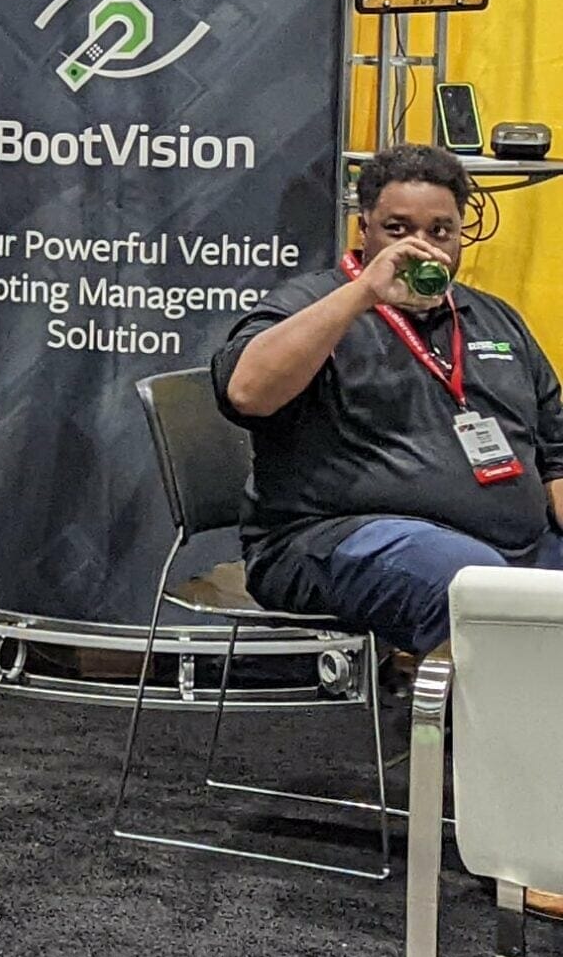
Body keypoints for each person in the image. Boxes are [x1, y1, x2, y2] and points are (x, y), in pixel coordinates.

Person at [216, 143, 563, 657]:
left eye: (440, 231)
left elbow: (555, 453)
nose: (421, 246)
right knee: (483, 592)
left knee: (498, 589)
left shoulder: (495, 320)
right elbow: (246, 392)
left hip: (514, 547)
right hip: (331, 541)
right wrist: (364, 295)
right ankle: (464, 734)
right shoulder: (313, 306)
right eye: (398, 230)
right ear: (364, 229)